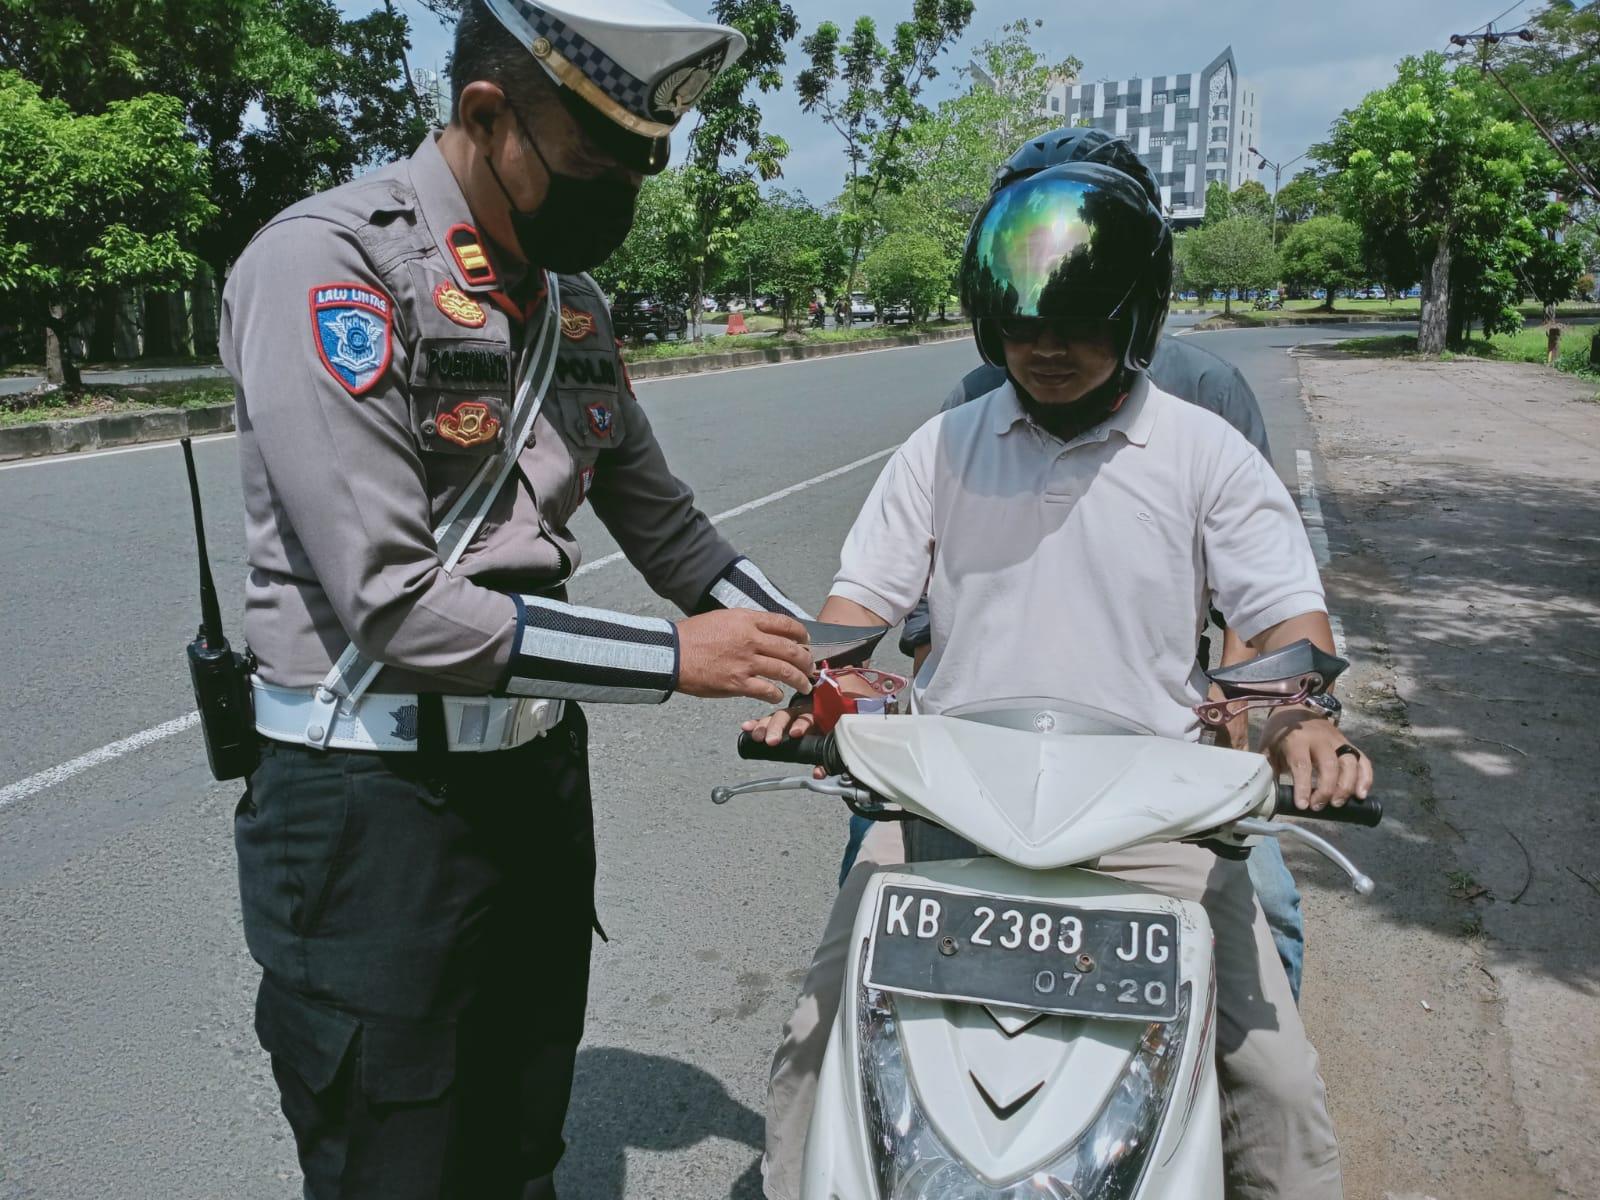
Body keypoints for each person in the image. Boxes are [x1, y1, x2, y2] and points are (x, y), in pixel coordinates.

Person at [219, 2, 816, 1197]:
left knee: (518, 1143)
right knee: (393, 1158)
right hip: (372, 806)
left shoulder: (568, 306)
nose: (618, 198)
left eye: (639, 167)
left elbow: (672, 530)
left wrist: (814, 655)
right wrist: (674, 661)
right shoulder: (327, 266)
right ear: (489, 117)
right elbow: (393, 606)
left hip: (532, 794)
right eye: (593, 163)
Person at [748, 154, 1373, 1200]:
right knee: (817, 1038)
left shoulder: (1205, 453)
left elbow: (1277, 621)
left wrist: (1300, 723)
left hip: (1150, 822)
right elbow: (858, 611)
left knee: (1274, 1083)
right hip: (948, 806)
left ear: (1139, 318)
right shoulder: (941, 447)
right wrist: (817, 692)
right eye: (1020, 325)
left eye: (1076, 324)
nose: (1042, 349)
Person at [838, 127, 1306, 1001]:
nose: (1047, 349)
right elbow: (907, 606)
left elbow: (1260, 597)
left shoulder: (1205, 402)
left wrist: (1249, 723)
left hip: (1154, 756)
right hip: (985, 755)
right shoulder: (968, 410)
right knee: (852, 946)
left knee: (1265, 932)